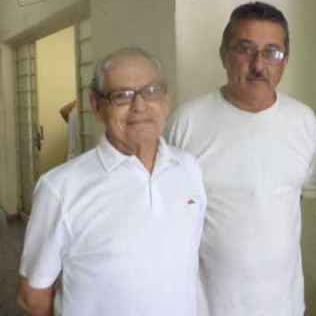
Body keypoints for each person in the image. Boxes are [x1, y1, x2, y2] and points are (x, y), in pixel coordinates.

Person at [18, 47, 206, 316]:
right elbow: (33, 296)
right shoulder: (59, 188)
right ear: (97, 106)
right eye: (122, 96)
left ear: (166, 99)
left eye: (151, 91)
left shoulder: (188, 168)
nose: (139, 106)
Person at [166, 2, 316, 316]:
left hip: (285, 306)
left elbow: (293, 199)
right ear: (223, 54)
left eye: (272, 52)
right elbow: (171, 215)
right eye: (245, 49)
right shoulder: (188, 122)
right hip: (210, 306)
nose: (258, 65)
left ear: (286, 60)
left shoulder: (304, 121)